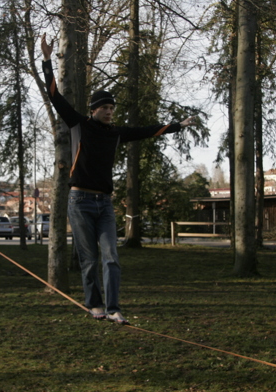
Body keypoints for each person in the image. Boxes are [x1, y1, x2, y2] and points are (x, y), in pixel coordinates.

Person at [40, 34, 196, 325]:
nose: (110, 111)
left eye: (113, 108)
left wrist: (178, 125)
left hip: (105, 204)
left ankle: (113, 308)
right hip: (80, 201)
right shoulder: (79, 124)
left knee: (111, 257)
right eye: (105, 108)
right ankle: (95, 305)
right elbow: (54, 96)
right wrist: (48, 61)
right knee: (89, 260)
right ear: (94, 109)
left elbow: (148, 130)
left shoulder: (116, 133)